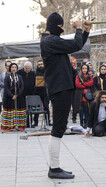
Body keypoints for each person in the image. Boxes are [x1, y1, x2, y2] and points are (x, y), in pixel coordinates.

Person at [40, 12, 92, 179]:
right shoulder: (50, 41)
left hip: (61, 88)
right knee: (58, 127)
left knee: (60, 126)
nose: (62, 30)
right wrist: (78, 29)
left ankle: (54, 167)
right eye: (61, 27)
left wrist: (85, 32)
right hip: (59, 89)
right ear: (56, 25)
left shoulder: (52, 41)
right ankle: (54, 168)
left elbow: (75, 45)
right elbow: (75, 45)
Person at [1, 63, 26, 131]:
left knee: (19, 110)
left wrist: (17, 95)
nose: (14, 68)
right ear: (10, 68)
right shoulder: (7, 77)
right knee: (10, 111)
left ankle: (19, 125)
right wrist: (12, 96)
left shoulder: (19, 77)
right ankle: (9, 126)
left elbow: (22, 87)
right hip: (9, 97)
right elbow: (6, 88)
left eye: (15, 67)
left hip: (18, 96)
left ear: (17, 69)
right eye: (12, 67)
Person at [33, 60, 51, 127]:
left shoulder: (47, 72)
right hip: (37, 92)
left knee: (46, 107)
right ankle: (35, 122)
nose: (40, 65)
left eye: (41, 64)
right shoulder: (35, 73)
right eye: (39, 64)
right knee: (36, 108)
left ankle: (48, 121)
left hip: (45, 92)